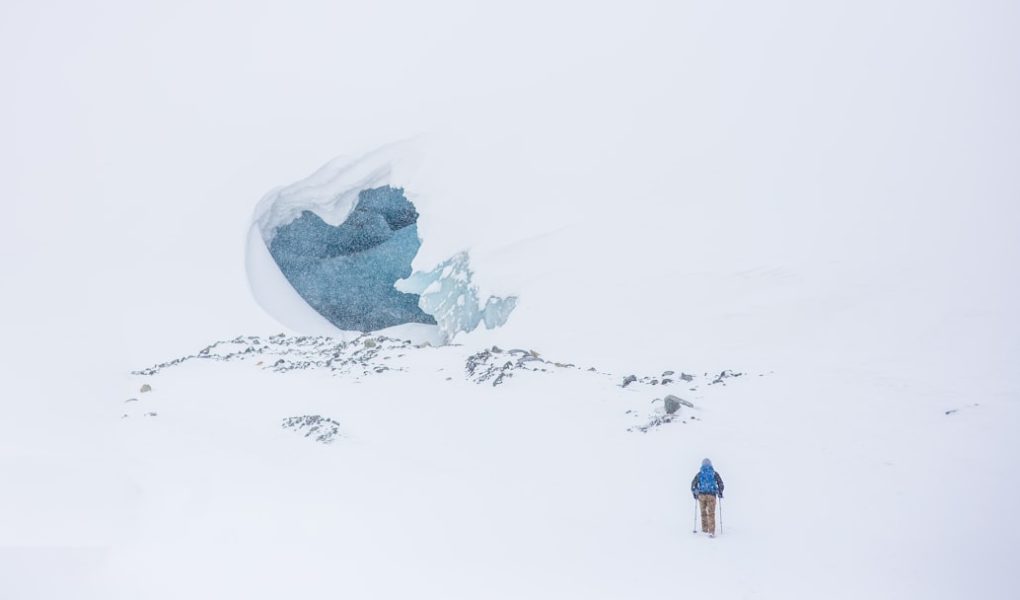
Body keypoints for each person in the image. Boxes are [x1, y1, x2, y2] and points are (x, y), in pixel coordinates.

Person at [691, 458, 724, 537]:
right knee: (711, 513)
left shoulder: (700, 474)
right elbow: (721, 483)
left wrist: (695, 493)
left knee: (703, 513)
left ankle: (704, 529)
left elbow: (693, 484)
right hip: (711, 495)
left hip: (701, 496)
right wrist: (720, 492)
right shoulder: (714, 473)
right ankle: (711, 531)